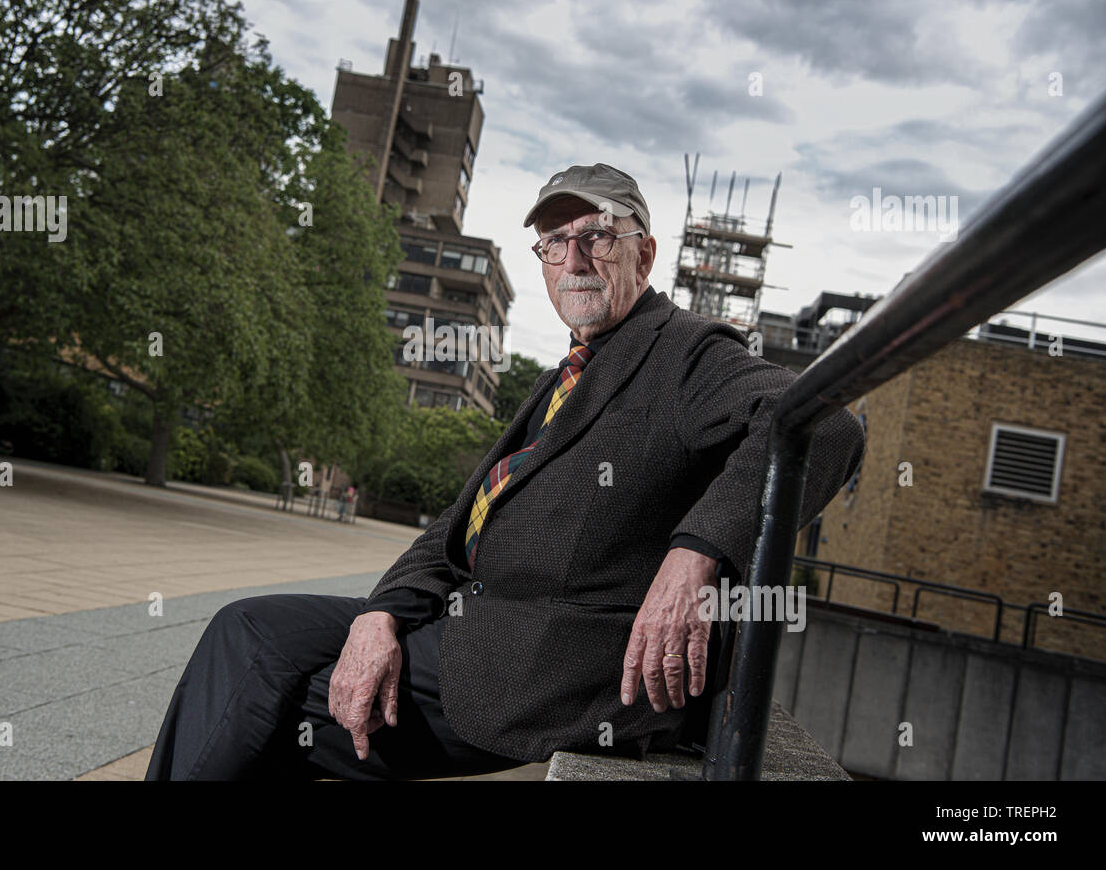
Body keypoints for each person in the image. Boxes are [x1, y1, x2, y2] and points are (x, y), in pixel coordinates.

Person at [145, 163, 865, 780]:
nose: (575, 258)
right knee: (248, 629)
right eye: (555, 242)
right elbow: (455, 529)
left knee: (261, 697)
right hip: (472, 624)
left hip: (543, 671)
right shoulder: (565, 379)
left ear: (643, 256)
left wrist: (697, 552)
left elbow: (827, 423)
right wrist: (379, 613)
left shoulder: (683, 352)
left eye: (597, 236)